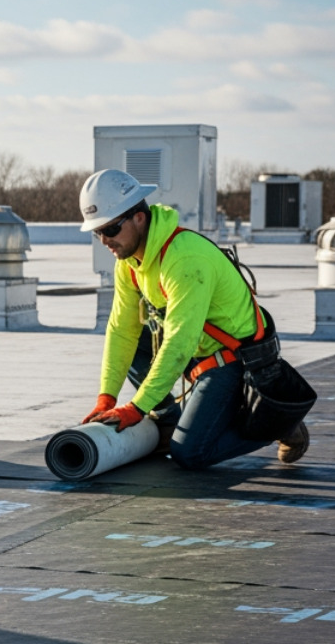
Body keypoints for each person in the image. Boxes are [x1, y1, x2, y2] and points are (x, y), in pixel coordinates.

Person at [78, 168, 309, 470]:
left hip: (234, 361)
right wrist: (106, 397)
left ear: (138, 217)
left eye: (111, 230)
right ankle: (168, 424)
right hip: (197, 352)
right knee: (135, 342)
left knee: (191, 453)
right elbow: (121, 330)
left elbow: (179, 341)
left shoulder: (184, 259)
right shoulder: (130, 263)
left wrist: (137, 408)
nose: (105, 240)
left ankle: (279, 424)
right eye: (98, 232)